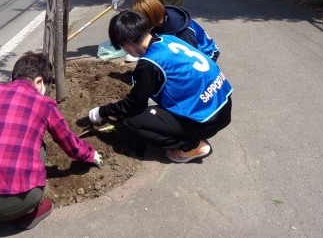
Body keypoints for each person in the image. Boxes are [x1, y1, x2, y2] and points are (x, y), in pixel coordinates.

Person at [0, 52, 102, 230]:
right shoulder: (44, 104)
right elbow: (69, 143)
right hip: (18, 202)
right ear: (39, 82)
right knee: (39, 146)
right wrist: (91, 155)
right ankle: (28, 214)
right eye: (47, 85)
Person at [88, 11, 232, 163]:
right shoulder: (167, 39)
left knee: (130, 123)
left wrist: (102, 111)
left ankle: (192, 146)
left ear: (128, 44)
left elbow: (134, 104)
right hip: (223, 104)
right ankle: (190, 133)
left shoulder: (150, 62)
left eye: (122, 47)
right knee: (154, 105)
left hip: (206, 121)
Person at [132, 0, 220, 62]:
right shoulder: (158, 25)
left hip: (206, 55)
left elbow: (191, 58)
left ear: (149, 18)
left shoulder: (184, 32)